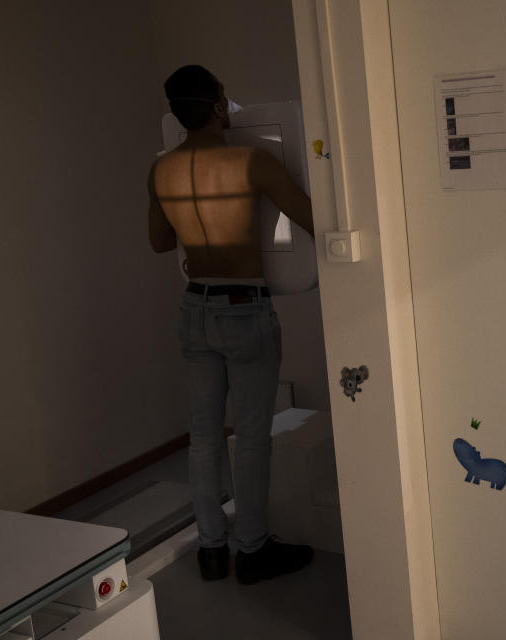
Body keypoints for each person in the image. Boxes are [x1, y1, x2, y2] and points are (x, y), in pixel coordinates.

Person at [148, 65, 315, 584]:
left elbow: (158, 242)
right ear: (219, 105)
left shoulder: (159, 170)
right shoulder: (251, 161)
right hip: (244, 309)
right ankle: (253, 548)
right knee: (251, 436)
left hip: (194, 307)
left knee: (203, 437)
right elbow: (313, 218)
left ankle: (211, 549)